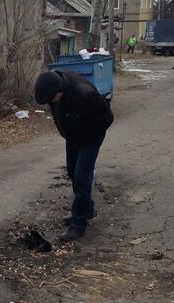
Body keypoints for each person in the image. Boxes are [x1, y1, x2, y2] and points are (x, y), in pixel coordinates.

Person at [34, 70, 114, 241]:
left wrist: (86, 136)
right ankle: (87, 209)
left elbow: (107, 118)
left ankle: (78, 224)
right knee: (72, 171)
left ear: (60, 92)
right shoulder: (54, 87)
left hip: (90, 138)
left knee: (81, 177)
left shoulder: (85, 94)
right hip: (73, 136)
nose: (50, 104)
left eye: (51, 100)